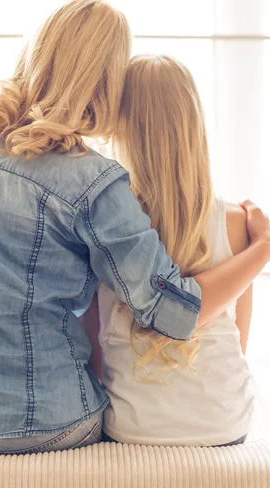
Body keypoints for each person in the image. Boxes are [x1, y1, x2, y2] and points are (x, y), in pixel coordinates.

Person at [0, 0, 269, 455]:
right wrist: (261, 248)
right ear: (104, 84)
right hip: (41, 423)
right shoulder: (95, 181)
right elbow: (173, 313)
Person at [95, 54, 264, 447]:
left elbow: (93, 350)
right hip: (223, 422)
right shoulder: (239, 223)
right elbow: (239, 340)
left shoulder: (103, 223)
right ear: (194, 127)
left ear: (121, 129)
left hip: (132, 426)